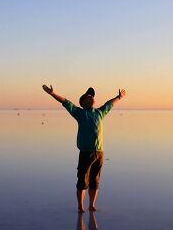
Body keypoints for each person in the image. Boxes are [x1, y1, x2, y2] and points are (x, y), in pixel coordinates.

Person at [42, 84, 126, 212]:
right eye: (88, 96)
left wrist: (119, 97)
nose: (91, 97)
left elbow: (109, 104)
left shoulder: (100, 112)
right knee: (82, 180)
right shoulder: (79, 113)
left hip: (99, 153)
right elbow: (66, 103)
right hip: (85, 153)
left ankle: (92, 204)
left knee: (95, 180)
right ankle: (80, 206)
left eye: (92, 95)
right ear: (82, 102)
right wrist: (52, 94)